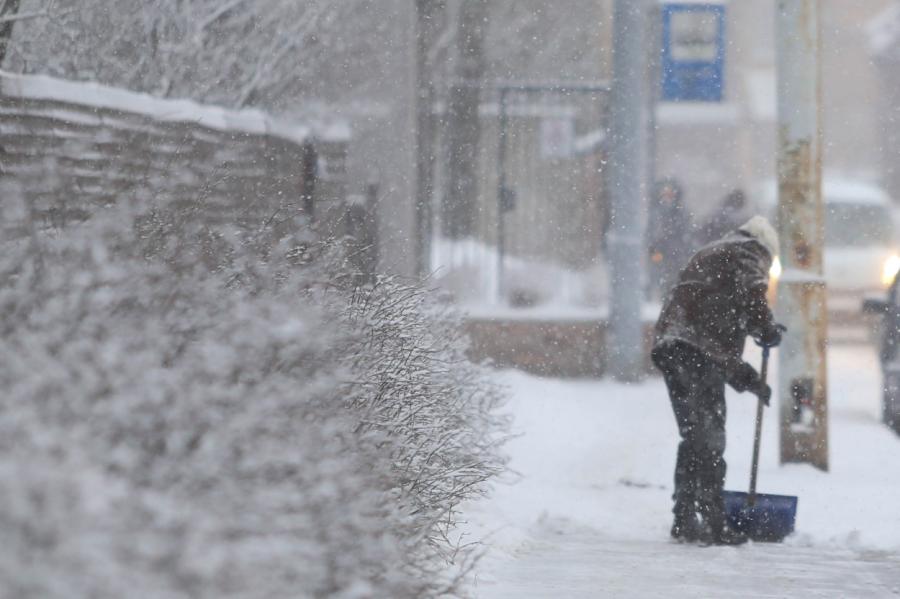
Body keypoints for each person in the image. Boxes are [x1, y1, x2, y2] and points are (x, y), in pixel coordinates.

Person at [651, 216, 784, 545]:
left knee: (694, 436)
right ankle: (712, 521)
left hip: (673, 345)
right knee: (709, 439)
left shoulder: (718, 250)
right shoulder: (750, 251)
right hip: (695, 349)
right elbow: (751, 295)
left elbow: (720, 326)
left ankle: (684, 519)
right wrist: (765, 328)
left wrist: (750, 379)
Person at [647, 179, 693, 300]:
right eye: (664, 194)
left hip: (676, 256)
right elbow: (651, 235)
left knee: (674, 283)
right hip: (662, 256)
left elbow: (684, 235)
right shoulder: (656, 213)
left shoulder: (681, 213)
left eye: (670, 194)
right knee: (663, 283)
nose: (667, 197)